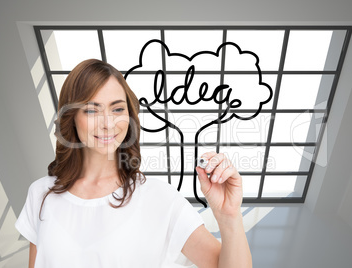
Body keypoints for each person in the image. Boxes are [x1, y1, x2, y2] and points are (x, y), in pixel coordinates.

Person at [15, 59, 252, 267]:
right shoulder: (41, 194)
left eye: (117, 109)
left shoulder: (160, 198)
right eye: (91, 110)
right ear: (72, 118)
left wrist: (229, 216)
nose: (107, 123)